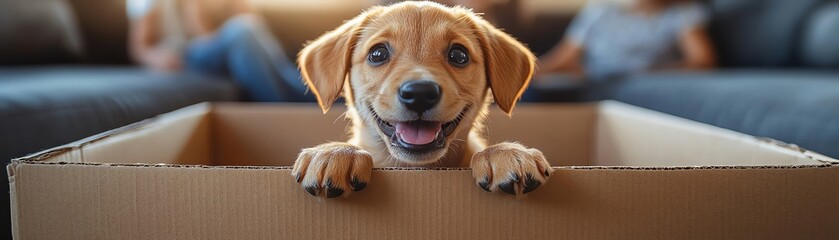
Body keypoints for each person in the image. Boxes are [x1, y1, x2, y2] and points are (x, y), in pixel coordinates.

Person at [127, 0, 310, 102]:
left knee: (250, 27)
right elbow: (139, 47)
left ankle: (319, 97)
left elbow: (251, 18)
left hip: (231, 51)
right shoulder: (149, 4)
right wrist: (159, 59)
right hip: (185, 54)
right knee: (244, 30)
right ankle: (287, 106)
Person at [537, 0, 716, 82]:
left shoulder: (682, 12)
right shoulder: (600, 10)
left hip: (644, 76)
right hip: (595, 76)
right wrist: (528, 75)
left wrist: (651, 73)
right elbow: (562, 59)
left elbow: (702, 60)